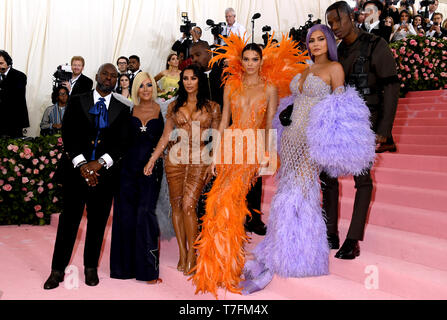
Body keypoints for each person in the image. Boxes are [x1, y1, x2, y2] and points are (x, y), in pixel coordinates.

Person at [241, 24, 375, 295]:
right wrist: (287, 110)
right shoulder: (305, 69)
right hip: (290, 138)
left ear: (328, 42)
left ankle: (300, 256)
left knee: (301, 194)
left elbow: (338, 109)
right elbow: (297, 101)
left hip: (310, 141)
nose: (315, 45)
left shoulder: (334, 69)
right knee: (286, 191)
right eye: (311, 40)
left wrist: (333, 144)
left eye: (320, 40)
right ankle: (282, 247)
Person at [190, 34, 308, 298]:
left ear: (261, 61)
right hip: (230, 144)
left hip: (252, 147)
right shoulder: (231, 85)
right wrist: (214, 155)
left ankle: (228, 265)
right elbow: (223, 122)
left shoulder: (270, 89)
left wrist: (267, 155)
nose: (251, 63)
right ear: (241, 61)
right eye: (247, 59)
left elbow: (269, 125)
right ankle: (214, 264)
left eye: (255, 59)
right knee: (216, 202)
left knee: (231, 202)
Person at [322, 1, 399, 260]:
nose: (334, 27)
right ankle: (330, 233)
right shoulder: (336, 51)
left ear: (351, 17)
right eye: (330, 23)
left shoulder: (376, 45)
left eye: (337, 21)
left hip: (366, 124)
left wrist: (384, 128)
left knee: (362, 179)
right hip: (339, 124)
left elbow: (390, 87)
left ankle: (352, 239)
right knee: (328, 176)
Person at [43, 63, 131, 290]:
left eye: (114, 76)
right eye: (105, 74)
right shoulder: (77, 100)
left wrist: (99, 164)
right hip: (75, 172)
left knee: (98, 224)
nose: (109, 78)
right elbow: (68, 134)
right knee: (68, 223)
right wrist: (82, 164)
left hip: (104, 177)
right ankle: (57, 270)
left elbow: (122, 145)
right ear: (97, 76)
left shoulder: (123, 109)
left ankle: (91, 267)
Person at [143, 64, 221, 276]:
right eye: (185, 78)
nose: (188, 82)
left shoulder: (213, 107)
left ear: (199, 81)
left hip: (200, 160)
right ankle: (183, 253)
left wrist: (213, 161)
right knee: (176, 206)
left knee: (189, 206)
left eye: (192, 78)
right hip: (174, 161)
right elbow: (166, 136)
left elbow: (217, 138)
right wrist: (153, 159)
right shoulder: (175, 106)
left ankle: (193, 254)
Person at [190, 40, 267, 235]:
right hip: (206, 131)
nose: (195, 59)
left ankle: (252, 218)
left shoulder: (223, 73)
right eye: (192, 56)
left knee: (252, 181)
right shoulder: (194, 75)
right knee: (214, 177)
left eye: (198, 55)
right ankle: (210, 218)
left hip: (239, 131)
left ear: (209, 53)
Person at [110, 72, 164, 284]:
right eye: (141, 86)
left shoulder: (163, 110)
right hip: (127, 171)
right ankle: (123, 269)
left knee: (145, 214)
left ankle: (148, 271)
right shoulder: (128, 110)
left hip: (150, 171)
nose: (146, 89)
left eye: (149, 85)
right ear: (135, 89)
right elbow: (120, 141)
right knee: (125, 216)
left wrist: (153, 161)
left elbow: (166, 139)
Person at [0, 50, 30, 138]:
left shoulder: (20, 76)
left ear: (8, 63)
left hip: (14, 121)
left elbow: (16, 98)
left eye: (1, 63)